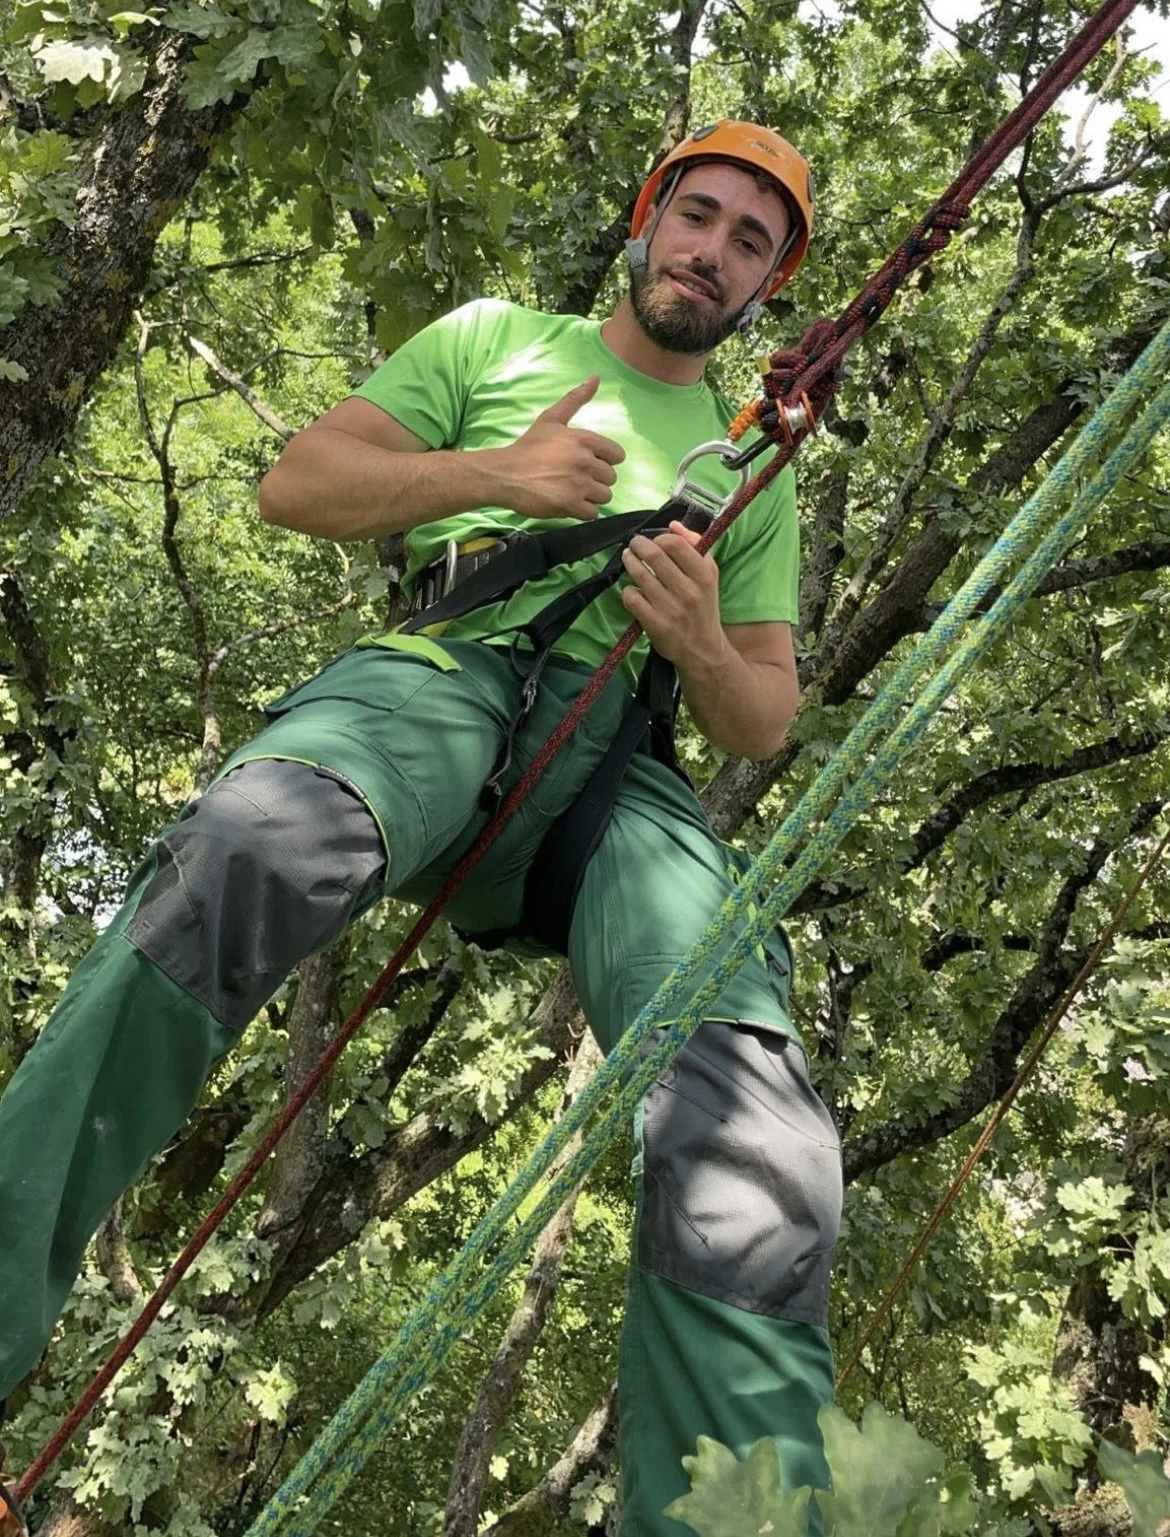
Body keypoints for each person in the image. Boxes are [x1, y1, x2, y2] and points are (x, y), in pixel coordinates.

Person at [0, 122, 843, 1534]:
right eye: (697, 215)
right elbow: (299, 485)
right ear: (647, 221)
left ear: (769, 284)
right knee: (244, 852)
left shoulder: (754, 467)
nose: (712, 251)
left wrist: (699, 645)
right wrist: (496, 477)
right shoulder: (495, 339)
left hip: (612, 766)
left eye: (749, 242)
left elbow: (761, 715)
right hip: (444, 682)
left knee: (756, 1114)